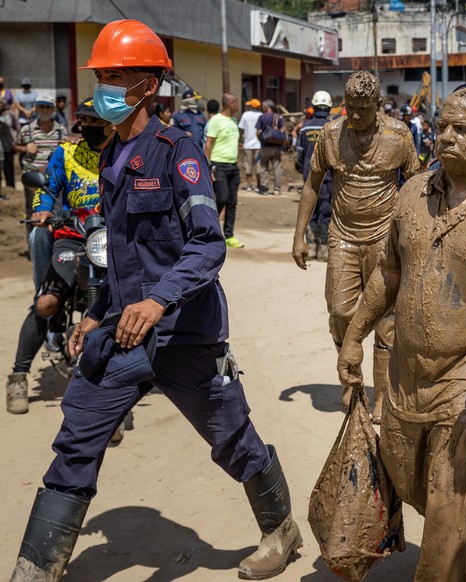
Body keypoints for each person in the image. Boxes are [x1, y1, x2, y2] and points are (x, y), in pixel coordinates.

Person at [7, 20, 303, 581]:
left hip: (185, 333)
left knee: (233, 440)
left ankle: (281, 530)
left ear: (147, 84)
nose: (103, 88)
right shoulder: (111, 160)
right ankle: (35, 567)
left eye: (115, 76)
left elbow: (207, 243)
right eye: (101, 76)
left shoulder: (178, 153)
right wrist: (96, 313)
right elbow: (121, 255)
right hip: (123, 332)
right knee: (76, 440)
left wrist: (160, 302)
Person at [337, 87, 466, 581]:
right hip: (408, 374)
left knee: (446, 502)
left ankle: (457, 535)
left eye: (463, 130)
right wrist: (355, 336)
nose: (446, 137)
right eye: (442, 126)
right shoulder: (411, 193)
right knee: (410, 483)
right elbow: (387, 272)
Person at [292, 71, 419, 422]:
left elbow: (417, 186)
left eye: (364, 109)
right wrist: (299, 235)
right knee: (340, 311)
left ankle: (381, 395)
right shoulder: (331, 133)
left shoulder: (399, 135)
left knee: (386, 319)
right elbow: (311, 185)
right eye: (350, 108)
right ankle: (350, 376)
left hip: (384, 238)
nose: (357, 116)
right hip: (343, 236)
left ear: (377, 105)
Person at [6, 98, 111, 416]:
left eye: (97, 122)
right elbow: (47, 188)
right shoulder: (65, 152)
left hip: (112, 241)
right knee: (47, 303)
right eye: (85, 122)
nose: (90, 128)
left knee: (144, 298)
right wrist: (42, 210)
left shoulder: (124, 153)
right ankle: (19, 375)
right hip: (72, 238)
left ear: (112, 123)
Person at [12, 93, 67, 276]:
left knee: (54, 215)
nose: (44, 110)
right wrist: (25, 148)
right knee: (33, 215)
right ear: (35, 108)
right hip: (33, 181)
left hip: (52, 183)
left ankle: (50, 248)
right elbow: (15, 145)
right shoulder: (27, 130)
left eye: (47, 107)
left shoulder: (61, 130)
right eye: (41, 107)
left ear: (53, 109)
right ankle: (34, 248)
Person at [297, 90, 334, 262]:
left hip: (309, 178)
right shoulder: (333, 128)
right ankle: (323, 251)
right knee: (325, 212)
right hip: (328, 178)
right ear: (329, 108)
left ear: (313, 106)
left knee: (310, 211)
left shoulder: (305, 128)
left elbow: (300, 155)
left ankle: (310, 249)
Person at [205, 92, 244, 248]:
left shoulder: (234, 121)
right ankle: (210, 230)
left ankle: (229, 235)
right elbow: (208, 144)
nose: (238, 106)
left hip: (233, 166)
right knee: (221, 198)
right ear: (230, 104)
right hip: (218, 165)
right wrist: (208, 167)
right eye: (236, 103)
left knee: (232, 202)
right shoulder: (216, 121)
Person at [255, 100, 285, 196]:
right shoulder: (278, 116)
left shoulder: (261, 117)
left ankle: (264, 188)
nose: (262, 107)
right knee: (277, 168)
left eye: (263, 106)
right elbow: (283, 129)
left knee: (263, 167)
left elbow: (258, 132)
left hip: (264, 146)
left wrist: (261, 140)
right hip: (276, 146)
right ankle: (277, 189)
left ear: (267, 107)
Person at [238, 98, 262, 191]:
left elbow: (241, 128)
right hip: (259, 144)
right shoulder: (261, 115)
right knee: (258, 165)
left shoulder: (245, 115)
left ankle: (249, 185)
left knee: (248, 165)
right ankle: (258, 186)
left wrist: (240, 140)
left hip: (247, 144)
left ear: (252, 106)